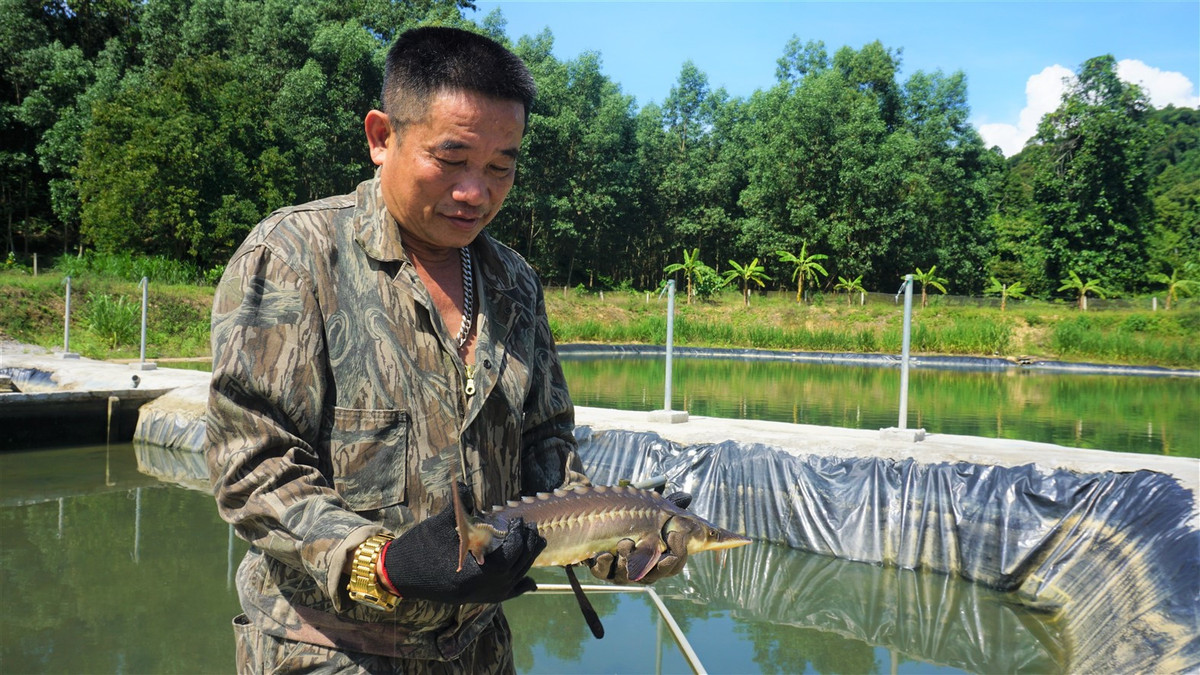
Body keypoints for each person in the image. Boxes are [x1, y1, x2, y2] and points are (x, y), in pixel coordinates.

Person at [205, 26, 687, 673]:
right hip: (326, 654)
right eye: (451, 158)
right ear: (381, 137)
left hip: (480, 653)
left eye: (500, 166)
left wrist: (611, 538)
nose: (475, 192)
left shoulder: (514, 282)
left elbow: (547, 442)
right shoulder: (295, 257)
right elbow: (252, 464)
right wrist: (386, 562)